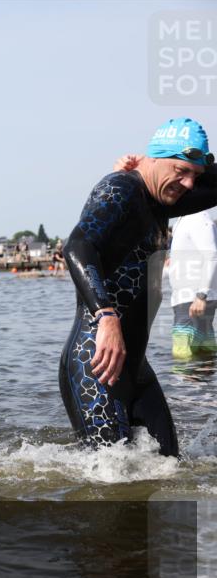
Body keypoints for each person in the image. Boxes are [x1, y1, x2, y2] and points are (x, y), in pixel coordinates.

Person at [59, 118, 216, 456]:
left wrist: (204, 163)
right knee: (109, 483)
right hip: (97, 362)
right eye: (181, 170)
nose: (189, 184)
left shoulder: (162, 199)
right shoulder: (120, 189)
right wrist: (106, 316)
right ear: (155, 158)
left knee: (170, 468)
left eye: (196, 176)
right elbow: (76, 246)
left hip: (134, 364)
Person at [167, 209, 217, 358]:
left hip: (192, 299)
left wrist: (201, 296)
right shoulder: (184, 219)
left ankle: (187, 382)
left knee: (183, 358)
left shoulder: (196, 217)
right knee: (204, 356)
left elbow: (212, 256)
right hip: (189, 298)